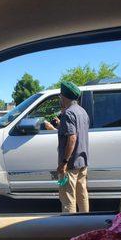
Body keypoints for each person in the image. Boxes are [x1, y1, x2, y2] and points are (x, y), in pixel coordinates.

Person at [45, 81, 90, 213]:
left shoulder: (68, 114)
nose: (60, 98)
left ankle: (70, 229)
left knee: (67, 198)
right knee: (82, 195)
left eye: (60, 96)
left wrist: (64, 162)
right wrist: (58, 126)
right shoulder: (82, 112)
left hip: (69, 165)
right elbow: (75, 132)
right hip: (82, 162)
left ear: (64, 96)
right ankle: (85, 225)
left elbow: (72, 137)